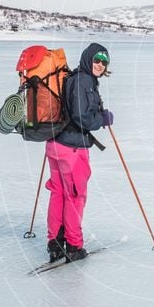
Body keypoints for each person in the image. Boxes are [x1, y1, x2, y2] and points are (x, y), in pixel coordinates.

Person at [45, 42, 114, 262]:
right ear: (87, 59)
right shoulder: (83, 81)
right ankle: (73, 246)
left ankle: (55, 243)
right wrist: (101, 119)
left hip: (55, 145)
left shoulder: (73, 77)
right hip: (72, 149)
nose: (100, 65)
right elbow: (81, 117)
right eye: (97, 60)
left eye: (104, 62)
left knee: (59, 193)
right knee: (75, 197)